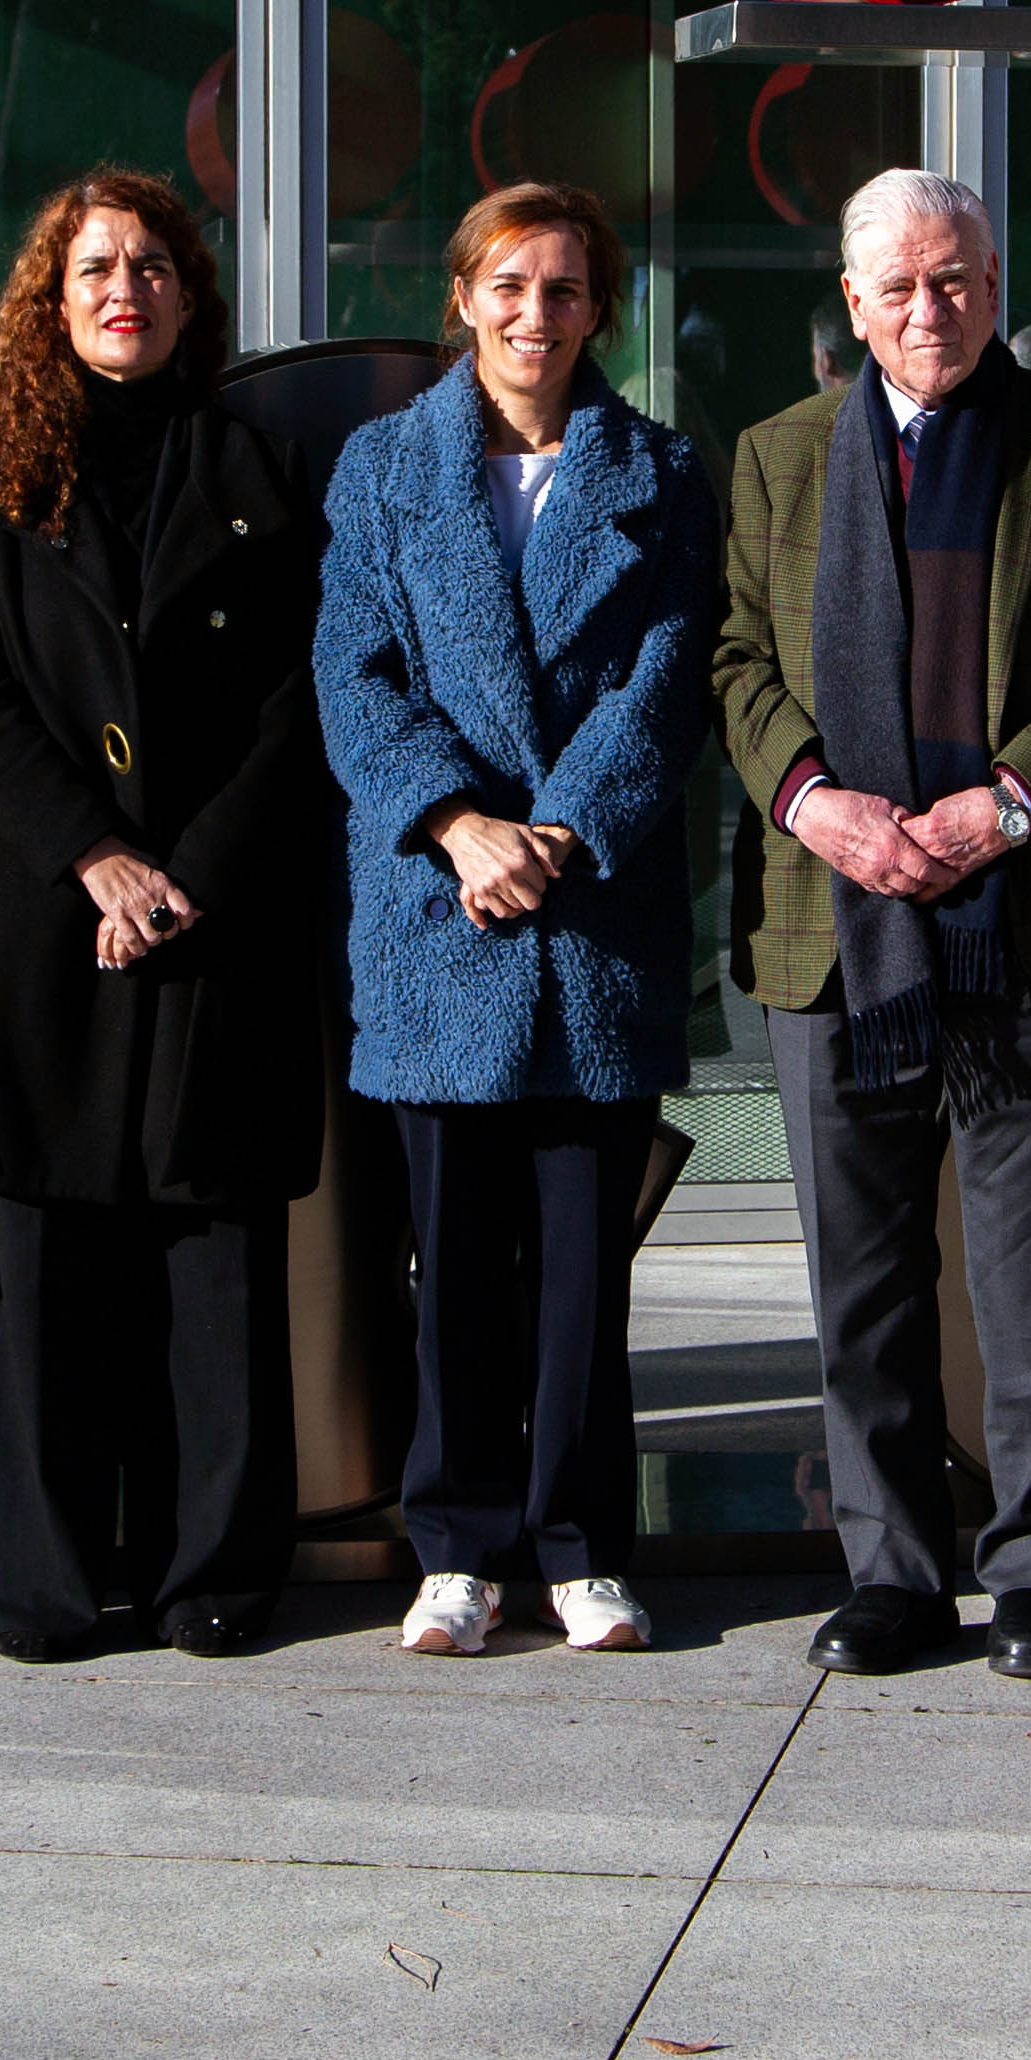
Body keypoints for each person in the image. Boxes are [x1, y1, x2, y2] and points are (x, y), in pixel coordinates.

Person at [719, 169, 1031, 1684]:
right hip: (831, 927)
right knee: (858, 1282)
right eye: (901, 288)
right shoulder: (777, 458)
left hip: (1029, 921)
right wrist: (813, 804)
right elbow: (731, 658)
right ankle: (893, 1575)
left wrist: (1008, 802)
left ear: (995, 281)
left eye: (959, 280)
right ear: (851, 306)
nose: (933, 312)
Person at [0, 170, 331, 1663]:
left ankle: (209, 1570)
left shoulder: (254, 467)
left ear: (190, 294)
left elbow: (301, 701)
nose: (124, 290)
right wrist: (90, 857)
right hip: (49, 919)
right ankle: (33, 1582)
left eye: (152, 265)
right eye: (95, 266)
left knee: (207, 1265)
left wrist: (188, 872)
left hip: (214, 916)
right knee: (36, 1270)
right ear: (51, 292)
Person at [316, 183, 715, 1657]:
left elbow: (670, 678)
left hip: (588, 912)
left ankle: (582, 1542)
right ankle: (458, 1545)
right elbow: (353, 674)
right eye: (507, 287)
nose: (532, 317)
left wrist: (556, 832)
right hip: (441, 911)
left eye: (561, 291)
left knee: (580, 1267)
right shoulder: (380, 471)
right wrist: (457, 826)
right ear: (463, 298)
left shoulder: (662, 471)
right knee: (452, 1264)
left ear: (597, 309)